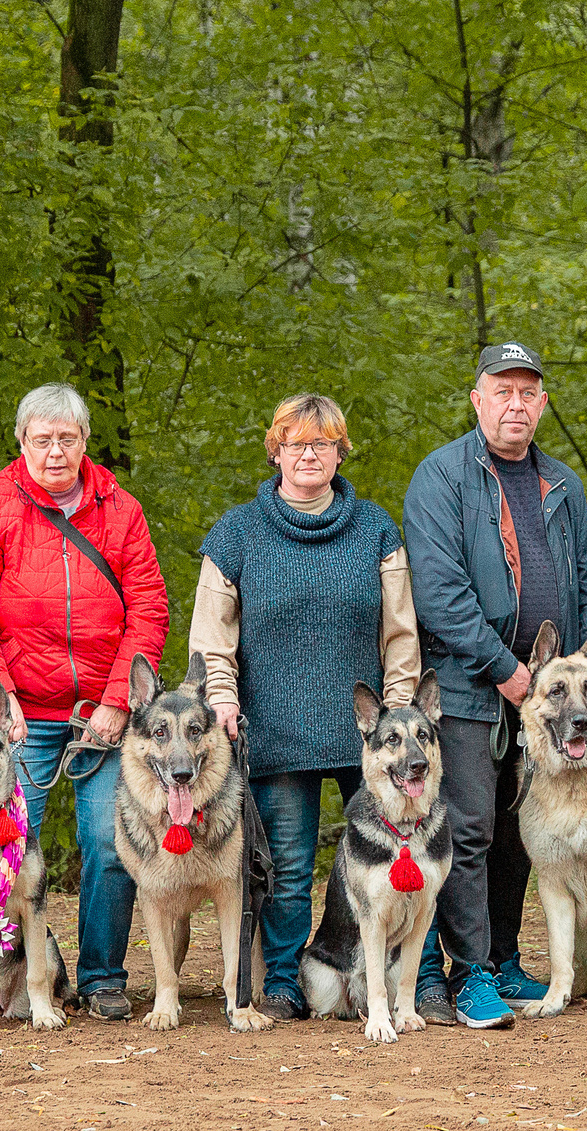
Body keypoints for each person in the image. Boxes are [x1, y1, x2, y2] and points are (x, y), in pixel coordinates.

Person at [403, 341, 587, 1029]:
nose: (515, 404)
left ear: (543, 404)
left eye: (528, 393)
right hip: (472, 687)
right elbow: (439, 593)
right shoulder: (442, 478)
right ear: (478, 400)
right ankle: (465, 976)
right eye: (503, 391)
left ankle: (500, 958)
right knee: (468, 829)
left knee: (517, 827)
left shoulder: (561, 485)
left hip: (553, 702)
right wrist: (508, 670)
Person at [0, 383, 170, 1021]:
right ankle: (4, 977)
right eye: (41, 440)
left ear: (85, 442)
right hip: (16, 720)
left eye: (65, 438)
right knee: (7, 850)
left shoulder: (121, 511)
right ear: (21, 443)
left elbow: (149, 606)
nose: (54, 451)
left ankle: (102, 978)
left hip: (99, 717)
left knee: (108, 844)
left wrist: (118, 699)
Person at [192, 393, 422, 1023]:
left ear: (340, 451)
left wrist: (399, 712)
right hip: (275, 726)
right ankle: (291, 978)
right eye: (296, 443)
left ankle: (397, 976)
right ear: (276, 451)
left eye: (323, 443)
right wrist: (222, 698)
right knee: (287, 867)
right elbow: (214, 637)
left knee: (390, 854)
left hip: (370, 735)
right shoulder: (236, 533)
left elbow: (400, 634)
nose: (310, 454)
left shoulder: (376, 531)